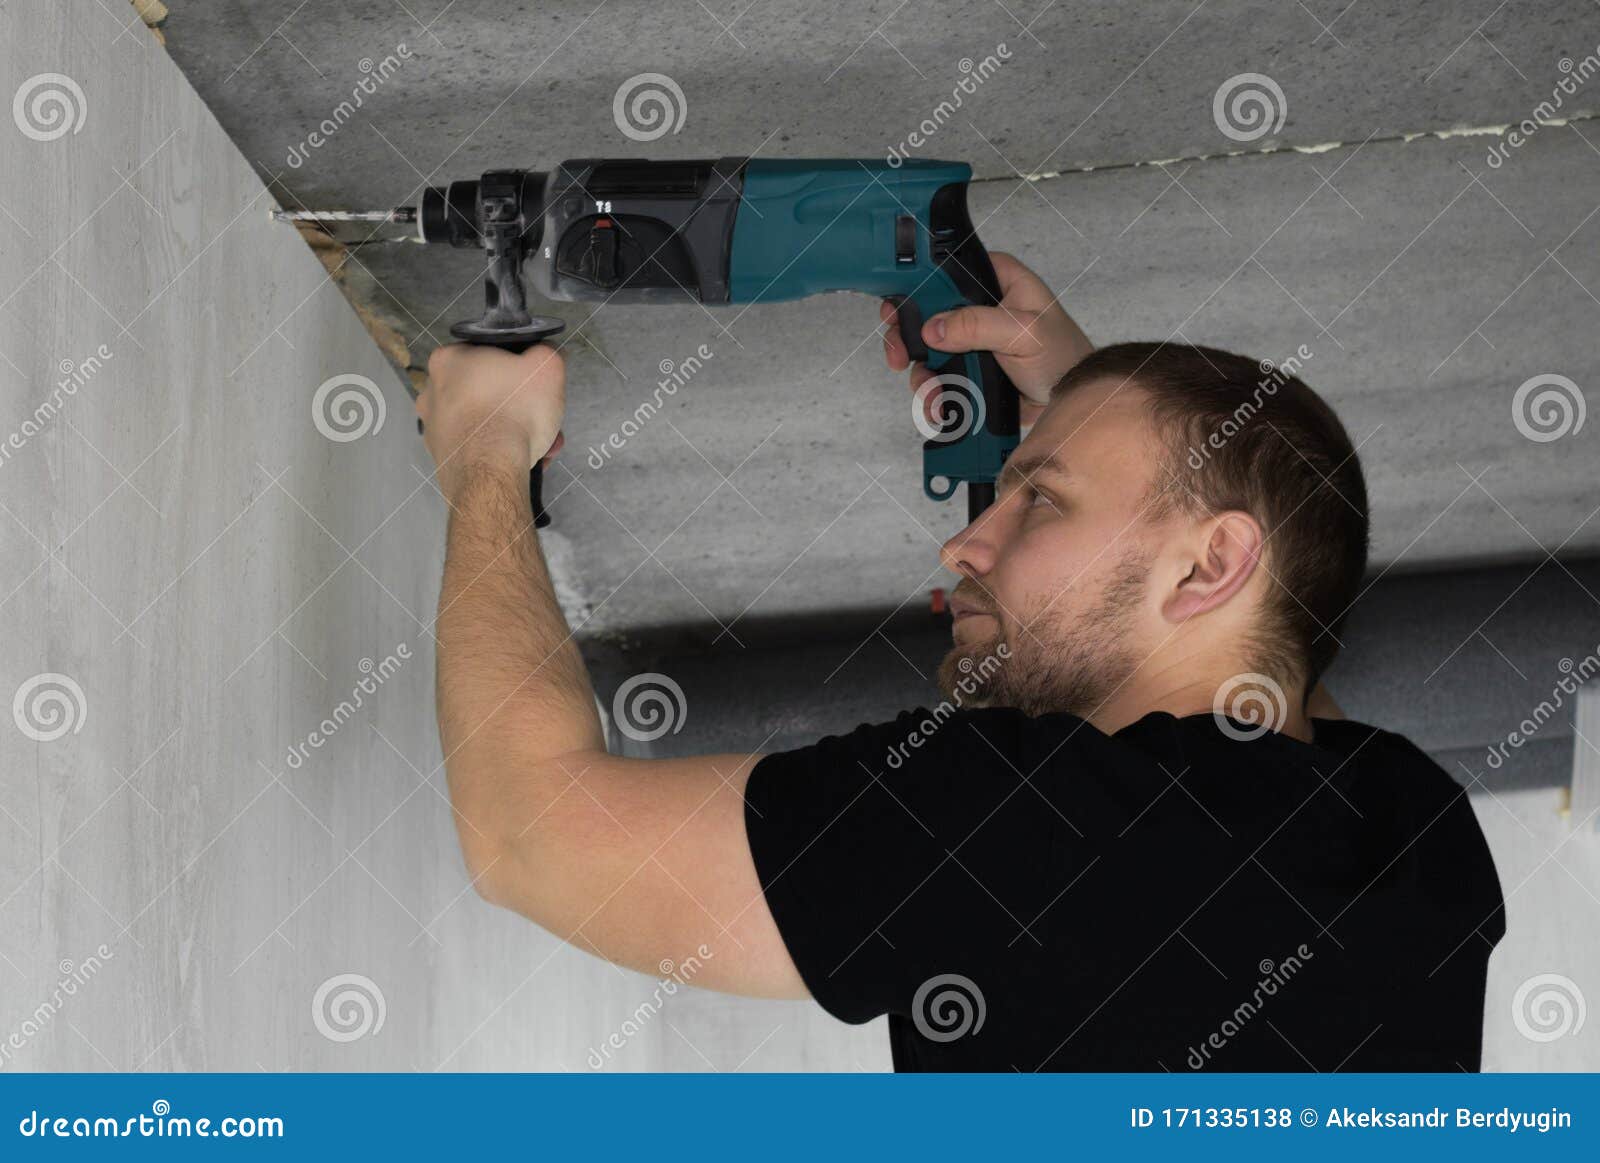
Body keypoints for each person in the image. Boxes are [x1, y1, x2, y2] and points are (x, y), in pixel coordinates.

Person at [415, 252, 1505, 1072]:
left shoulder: (1020, 821)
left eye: (1038, 499)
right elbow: (1268, 649)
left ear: (1210, 561)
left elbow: (529, 833)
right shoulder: (1412, 830)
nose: (966, 542)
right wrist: (1098, 407)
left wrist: (485, 457)